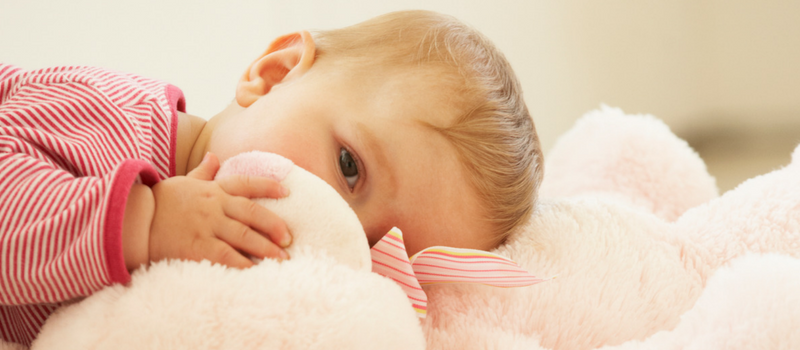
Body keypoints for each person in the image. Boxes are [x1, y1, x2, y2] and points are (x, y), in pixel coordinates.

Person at [0, 10, 543, 346]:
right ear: (273, 75)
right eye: (350, 168)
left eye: (379, 255)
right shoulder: (113, 119)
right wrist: (145, 220)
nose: (335, 229)